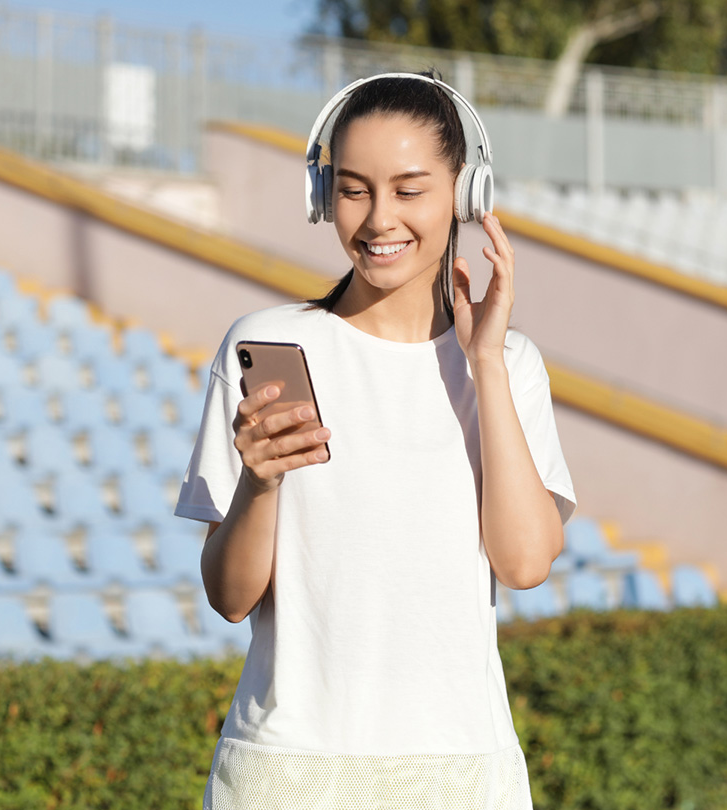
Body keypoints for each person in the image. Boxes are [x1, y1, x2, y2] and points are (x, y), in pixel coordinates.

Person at [175, 70, 576, 810]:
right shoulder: (264, 345)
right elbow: (230, 599)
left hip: (460, 771)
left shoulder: (509, 364)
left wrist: (482, 360)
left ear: (466, 193)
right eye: (354, 188)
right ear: (323, 194)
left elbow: (523, 564)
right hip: (287, 772)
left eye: (410, 189)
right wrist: (259, 484)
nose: (377, 218)